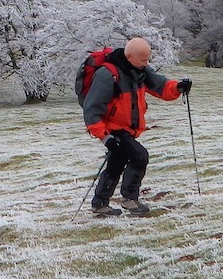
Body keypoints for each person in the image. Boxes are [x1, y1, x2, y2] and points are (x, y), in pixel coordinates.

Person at [82, 36, 191, 216]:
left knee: (116, 163)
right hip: (114, 128)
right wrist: (104, 136)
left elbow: (161, 86)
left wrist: (178, 87)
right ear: (130, 56)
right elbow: (91, 108)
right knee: (140, 156)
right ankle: (129, 199)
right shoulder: (108, 74)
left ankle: (100, 203)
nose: (146, 63)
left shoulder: (140, 70)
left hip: (128, 128)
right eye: (143, 59)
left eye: (147, 59)